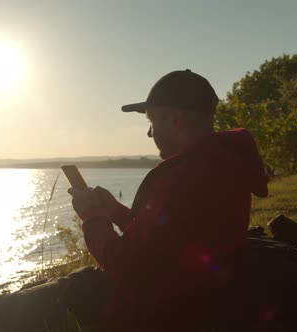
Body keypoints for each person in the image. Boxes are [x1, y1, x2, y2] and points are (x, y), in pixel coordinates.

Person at [67, 69, 269, 331]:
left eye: (151, 121)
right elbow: (167, 241)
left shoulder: (186, 177)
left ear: (176, 119)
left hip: (165, 312)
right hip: (198, 299)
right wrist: (115, 212)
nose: (150, 133)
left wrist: (92, 218)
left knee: (15, 307)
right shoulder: (220, 165)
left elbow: (129, 267)